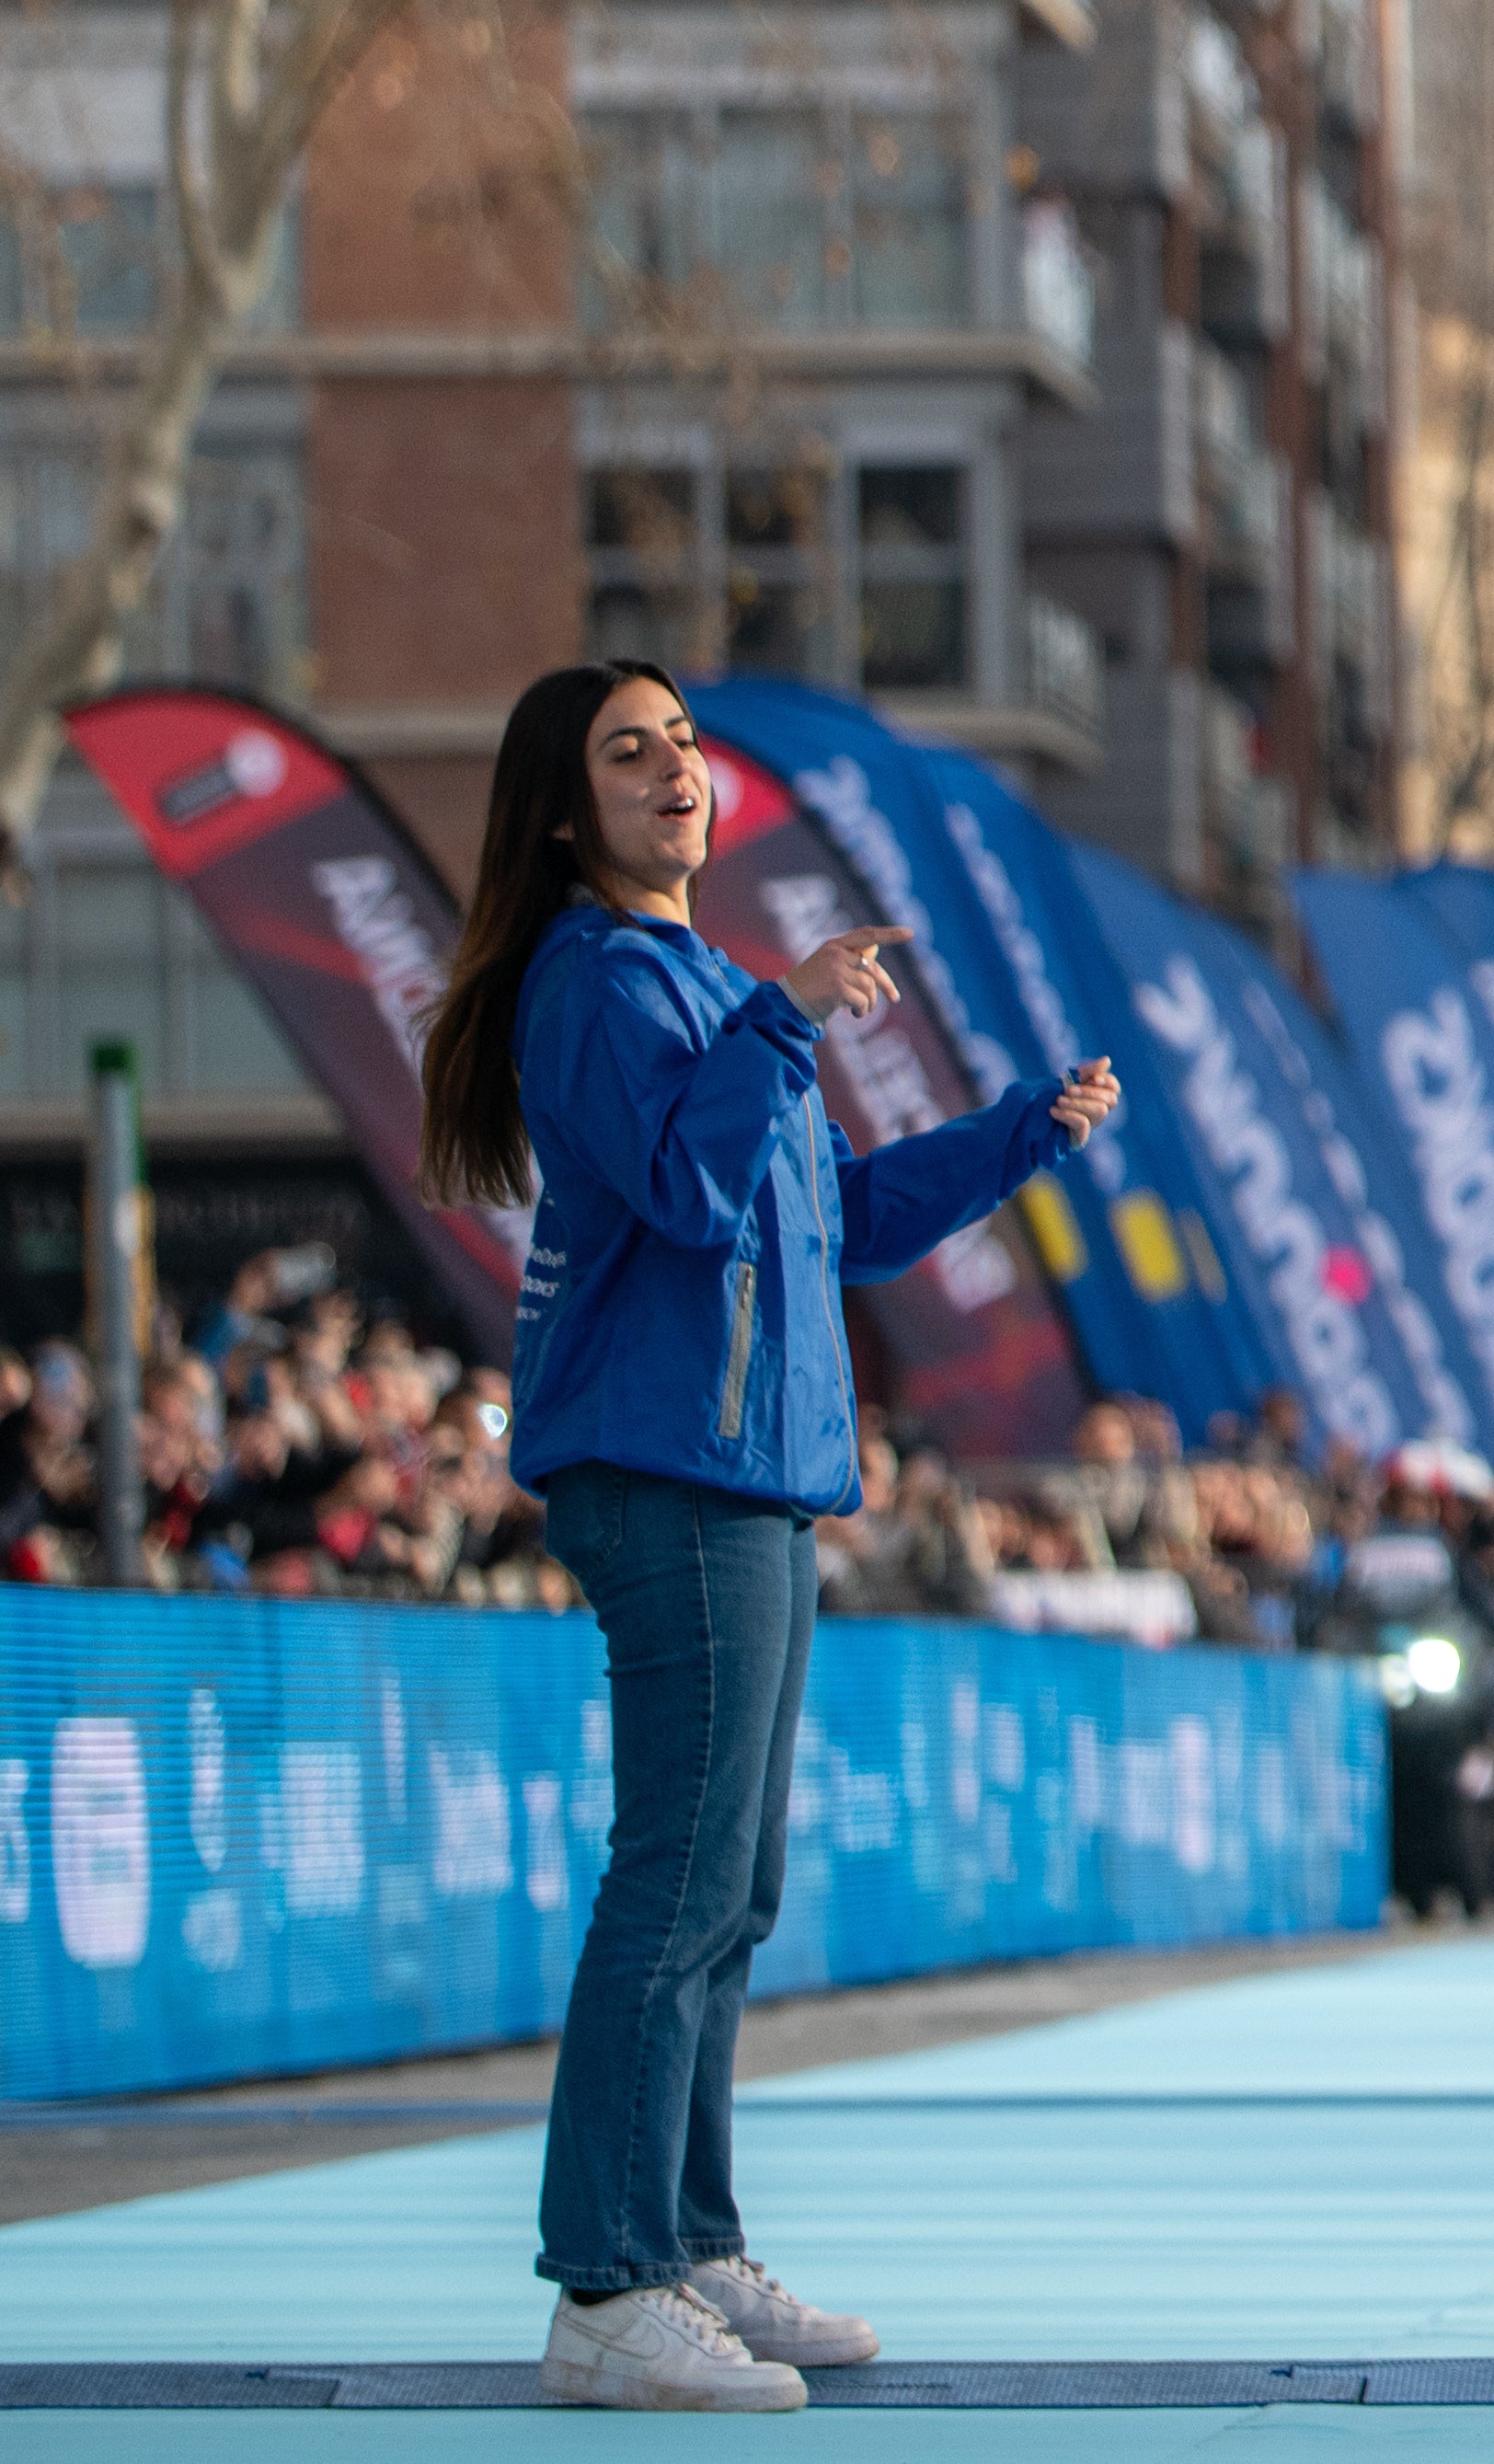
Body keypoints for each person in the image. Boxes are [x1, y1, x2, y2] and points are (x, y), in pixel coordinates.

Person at [419, 660, 1115, 2417]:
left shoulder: (704, 987)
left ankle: (687, 2239)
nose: (676, 774)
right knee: (675, 1874)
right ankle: (606, 2282)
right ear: (568, 808)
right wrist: (787, 1020)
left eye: (684, 748)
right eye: (629, 752)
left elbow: (839, 1218)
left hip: (752, 1470)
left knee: (731, 1882)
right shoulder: (595, 979)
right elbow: (685, 1186)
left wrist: (1015, 1133)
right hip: (672, 1467)